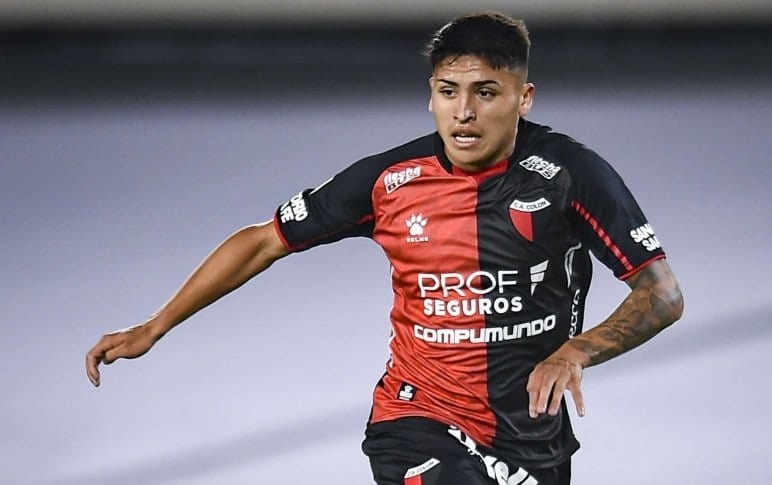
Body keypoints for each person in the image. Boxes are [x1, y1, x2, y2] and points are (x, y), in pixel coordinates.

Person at [85, 11, 683, 485]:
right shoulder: (389, 180)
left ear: (524, 98)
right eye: (448, 91)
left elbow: (661, 295)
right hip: (415, 416)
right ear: (431, 95)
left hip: (532, 442)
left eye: (486, 92)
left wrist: (574, 353)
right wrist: (156, 325)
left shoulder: (570, 175)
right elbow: (264, 241)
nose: (464, 112)